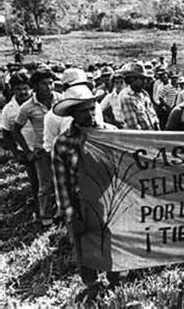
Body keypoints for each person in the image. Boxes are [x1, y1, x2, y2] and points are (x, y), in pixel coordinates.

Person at [51, 83, 123, 296]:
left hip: (110, 198)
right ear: (72, 114)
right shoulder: (63, 142)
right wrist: (71, 214)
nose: (90, 115)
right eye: (83, 111)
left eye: (92, 108)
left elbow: (124, 168)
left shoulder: (112, 133)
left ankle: (115, 280)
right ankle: (92, 285)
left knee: (113, 242)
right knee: (84, 244)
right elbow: (61, 182)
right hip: (81, 201)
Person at [13, 68, 62, 226]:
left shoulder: (61, 100)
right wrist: (27, 152)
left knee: (64, 181)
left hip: (62, 148)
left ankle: (63, 213)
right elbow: (15, 130)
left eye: (50, 83)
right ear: (35, 86)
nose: (49, 87)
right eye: (44, 84)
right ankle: (45, 217)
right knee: (45, 186)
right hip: (42, 150)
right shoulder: (28, 107)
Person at [1, 72, 38, 211]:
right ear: (12, 90)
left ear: (31, 88)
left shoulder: (39, 102)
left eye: (25, 88)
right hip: (26, 150)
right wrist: (16, 153)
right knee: (34, 179)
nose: (23, 92)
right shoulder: (8, 110)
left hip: (44, 147)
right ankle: (39, 205)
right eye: (18, 89)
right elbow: (6, 133)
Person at [119, 62, 160, 130]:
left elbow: (153, 116)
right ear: (133, 79)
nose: (145, 82)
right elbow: (134, 126)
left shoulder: (144, 94)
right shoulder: (127, 97)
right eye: (142, 79)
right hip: (142, 138)